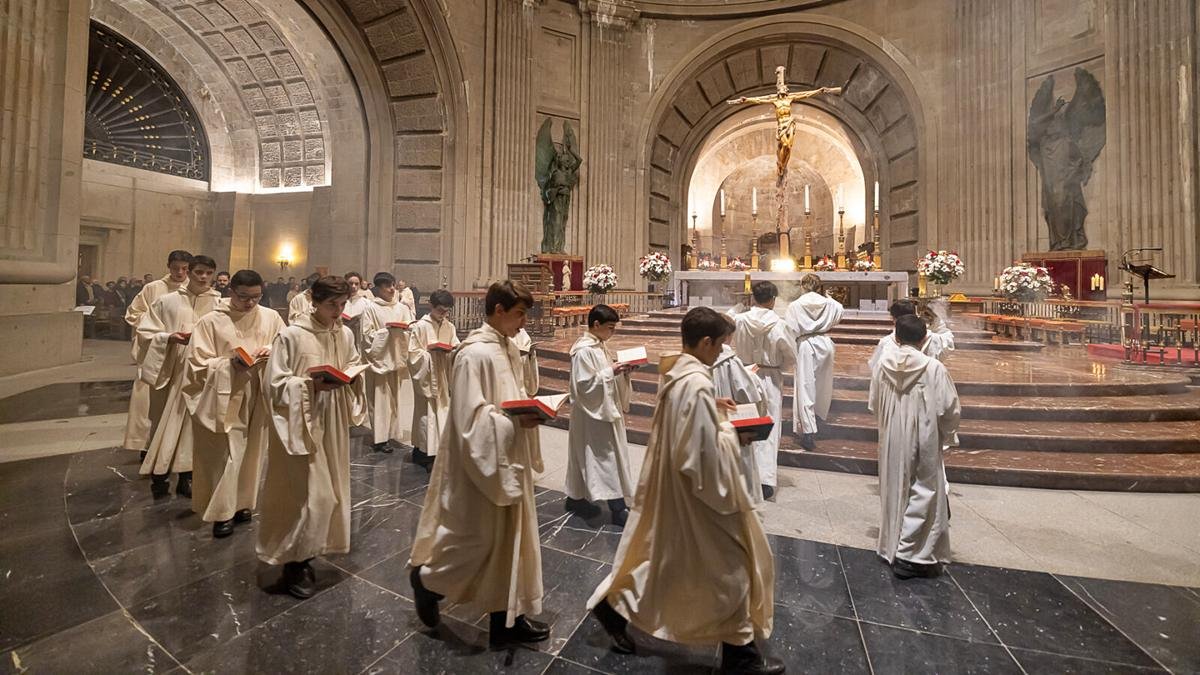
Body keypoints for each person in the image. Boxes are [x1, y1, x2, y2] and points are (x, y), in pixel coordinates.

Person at [586, 307, 781, 675]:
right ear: (706, 342)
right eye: (721, 344)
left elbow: (688, 425)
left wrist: (714, 411)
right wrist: (736, 434)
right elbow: (700, 454)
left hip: (675, 488)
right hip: (699, 496)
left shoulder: (679, 373)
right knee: (732, 566)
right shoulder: (696, 383)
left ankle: (612, 608)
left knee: (666, 560)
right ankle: (741, 657)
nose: (723, 351)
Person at [408, 280, 551, 650]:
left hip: (507, 457)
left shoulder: (506, 347)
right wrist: (514, 419)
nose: (524, 322)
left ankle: (508, 618)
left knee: (511, 540)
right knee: (478, 541)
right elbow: (470, 417)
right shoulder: (474, 354)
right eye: (519, 314)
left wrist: (526, 411)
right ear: (499, 311)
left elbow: (510, 398)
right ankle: (427, 582)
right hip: (479, 463)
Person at [257, 276, 367, 599]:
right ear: (313, 301)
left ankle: (308, 552)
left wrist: (352, 378)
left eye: (343, 305)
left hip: (330, 420)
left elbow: (350, 364)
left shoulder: (344, 334)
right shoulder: (291, 336)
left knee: (330, 491)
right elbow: (274, 385)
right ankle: (295, 563)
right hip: (298, 424)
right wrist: (309, 386)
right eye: (332, 305)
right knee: (307, 494)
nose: (338, 311)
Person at [184, 270, 285, 537]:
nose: (250, 304)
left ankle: (242, 504)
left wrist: (271, 352)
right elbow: (196, 364)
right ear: (231, 292)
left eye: (256, 297)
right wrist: (229, 364)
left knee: (252, 452)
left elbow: (285, 346)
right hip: (224, 396)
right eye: (243, 298)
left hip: (259, 393)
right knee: (227, 455)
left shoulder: (271, 317)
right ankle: (221, 513)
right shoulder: (211, 322)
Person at [869, 315, 961, 580]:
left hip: (891, 435)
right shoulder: (933, 368)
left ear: (896, 338)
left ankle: (891, 544)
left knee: (893, 486)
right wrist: (947, 435)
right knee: (924, 488)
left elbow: (874, 403)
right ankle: (911, 556)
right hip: (924, 434)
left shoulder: (882, 364)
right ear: (924, 339)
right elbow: (950, 408)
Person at [137, 254, 222, 498]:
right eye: (199, 272)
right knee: (165, 423)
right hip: (172, 370)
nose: (204, 277)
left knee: (194, 428)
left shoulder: (220, 304)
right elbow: (146, 332)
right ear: (189, 272)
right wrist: (168, 338)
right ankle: (159, 474)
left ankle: (187, 476)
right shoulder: (167, 301)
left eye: (208, 273)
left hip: (203, 373)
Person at [565, 304, 635, 525]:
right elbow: (584, 385)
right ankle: (617, 508)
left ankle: (575, 498)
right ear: (596, 325)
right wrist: (611, 371)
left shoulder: (598, 345)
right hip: (592, 415)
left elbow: (602, 375)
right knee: (605, 459)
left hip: (603, 409)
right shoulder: (584, 350)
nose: (612, 332)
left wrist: (622, 372)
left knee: (593, 458)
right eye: (610, 327)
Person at [728, 281, 795, 501]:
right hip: (769, 377)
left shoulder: (739, 320)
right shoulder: (779, 324)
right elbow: (790, 355)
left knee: (745, 423)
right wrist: (777, 369)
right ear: (773, 299)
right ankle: (765, 480)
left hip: (744, 374)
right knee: (769, 425)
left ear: (753, 298)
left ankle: (742, 476)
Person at [123, 250, 192, 459]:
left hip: (182, 353)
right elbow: (133, 314)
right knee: (147, 403)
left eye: (184, 269)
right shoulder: (153, 289)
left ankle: (173, 446)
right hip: (155, 352)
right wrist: (158, 324)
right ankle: (147, 444)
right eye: (175, 268)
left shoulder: (194, 292)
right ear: (168, 266)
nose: (180, 273)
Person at [783, 273, 843, 450]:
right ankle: (818, 419)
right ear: (819, 286)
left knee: (805, 386)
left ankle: (808, 431)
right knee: (823, 385)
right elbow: (839, 313)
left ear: (802, 286)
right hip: (825, 342)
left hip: (806, 344)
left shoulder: (795, 305)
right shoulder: (829, 303)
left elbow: (791, 328)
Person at [359, 272, 416, 453]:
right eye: (387, 286)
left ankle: (392, 435)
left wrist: (406, 330)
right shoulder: (370, 308)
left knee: (394, 401)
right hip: (380, 361)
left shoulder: (402, 308)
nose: (392, 289)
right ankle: (379, 439)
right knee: (379, 400)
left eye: (393, 285)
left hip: (396, 358)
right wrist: (387, 331)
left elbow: (411, 330)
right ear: (378, 289)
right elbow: (367, 337)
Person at [406, 289, 459, 466]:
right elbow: (413, 353)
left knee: (442, 413)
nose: (443, 314)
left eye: (446, 311)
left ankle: (439, 451)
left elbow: (455, 346)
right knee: (426, 415)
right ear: (431, 306)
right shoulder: (421, 326)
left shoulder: (449, 326)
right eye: (440, 310)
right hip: (427, 377)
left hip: (443, 375)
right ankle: (423, 452)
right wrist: (429, 354)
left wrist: (454, 351)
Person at [868, 300, 955, 370]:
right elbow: (948, 341)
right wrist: (936, 321)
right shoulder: (933, 339)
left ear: (894, 319)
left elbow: (875, 367)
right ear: (914, 314)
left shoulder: (887, 342)